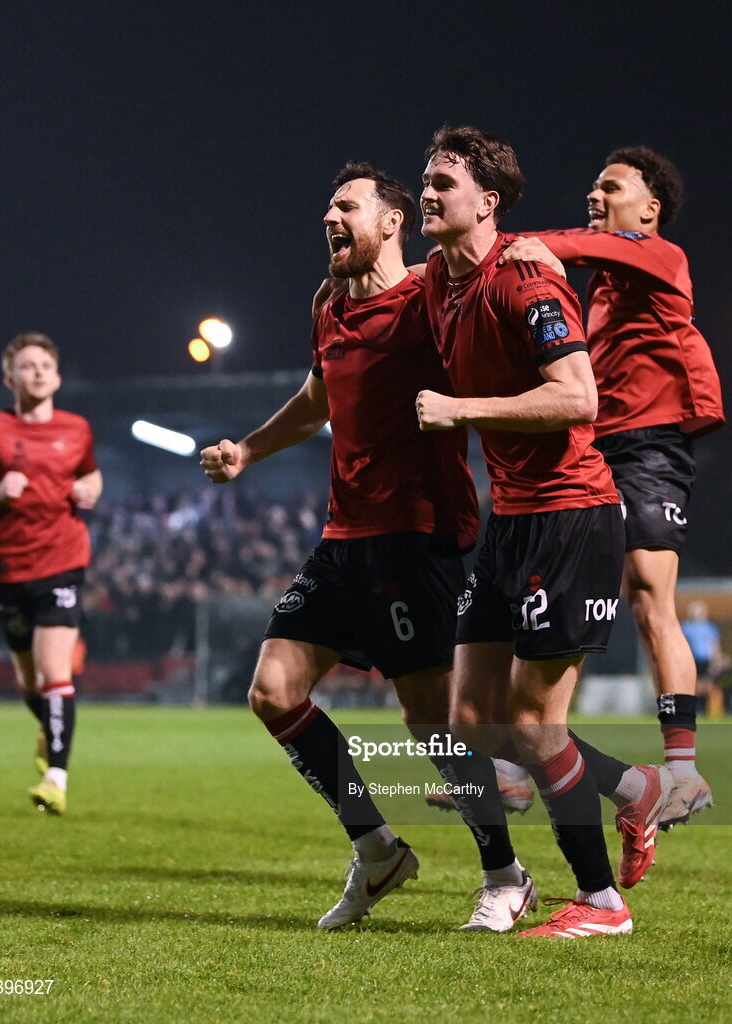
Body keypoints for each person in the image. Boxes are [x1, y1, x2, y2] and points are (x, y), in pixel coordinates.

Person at [201, 163, 540, 933]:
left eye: (345, 205)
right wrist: (249, 450)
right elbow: (318, 398)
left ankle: (505, 875)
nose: (329, 215)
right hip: (341, 537)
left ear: (390, 222)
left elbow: (491, 256)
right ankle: (377, 847)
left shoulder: (430, 293)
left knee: (430, 722)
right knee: (272, 693)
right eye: (326, 205)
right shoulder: (326, 303)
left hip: (418, 536)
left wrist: (538, 252)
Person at [417, 125, 674, 939]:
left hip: (570, 514)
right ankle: (625, 798)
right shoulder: (437, 281)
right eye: (423, 181)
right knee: (467, 726)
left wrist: (463, 410)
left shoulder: (525, 279)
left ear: (486, 203)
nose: (427, 193)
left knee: (531, 726)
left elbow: (577, 399)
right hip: (511, 520)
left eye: (443, 183)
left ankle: (600, 903)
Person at [502, 147, 725, 828]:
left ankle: (681, 773)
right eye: (594, 186)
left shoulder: (660, 255)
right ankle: (519, 761)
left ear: (648, 208)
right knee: (575, 598)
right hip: (596, 451)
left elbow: (561, 246)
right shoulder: (598, 290)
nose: (594, 195)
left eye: (611, 187)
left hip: (650, 445)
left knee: (649, 594)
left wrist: (501, 244)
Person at [0, 332, 102, 814]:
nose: (37, 372)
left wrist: (90, 488)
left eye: (45, 365)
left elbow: (90, 472)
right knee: (30, 682)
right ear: (9, 378)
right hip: (9, 568)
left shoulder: (77, 428)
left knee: (56, 671)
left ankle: (56, 777)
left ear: (56, 377)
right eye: (27, 365)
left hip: (63, 561)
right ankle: (50, 727)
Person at [680, 600, 725, 716]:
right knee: (693, 686)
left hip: (706, 660)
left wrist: (717, 659)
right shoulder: (686, 627)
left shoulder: (710, 627)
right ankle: (694, 709)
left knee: (706, 684)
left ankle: (705, 709)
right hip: (691, 660)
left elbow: (714, 644)